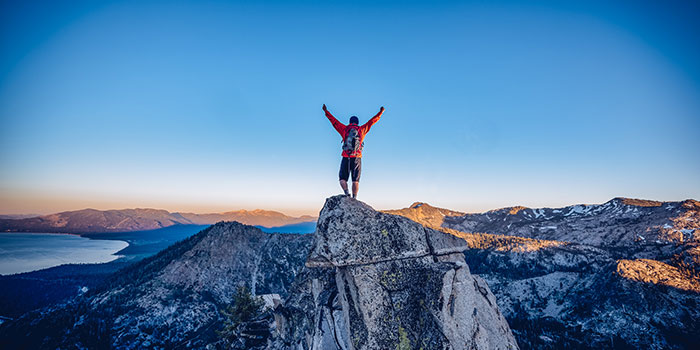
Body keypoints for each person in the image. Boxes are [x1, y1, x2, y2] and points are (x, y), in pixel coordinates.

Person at [323, 104, 384, 199]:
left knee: (342, 179)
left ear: (350, 122)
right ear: (357, 122)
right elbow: (371, 122)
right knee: (355, 180)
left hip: (346, 156)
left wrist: (326, 112)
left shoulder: (344, 129)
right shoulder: (362, 129)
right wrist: (380, 113)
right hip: (357, 157)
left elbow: (333, 121)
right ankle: (354, 198)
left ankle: (347, 193)